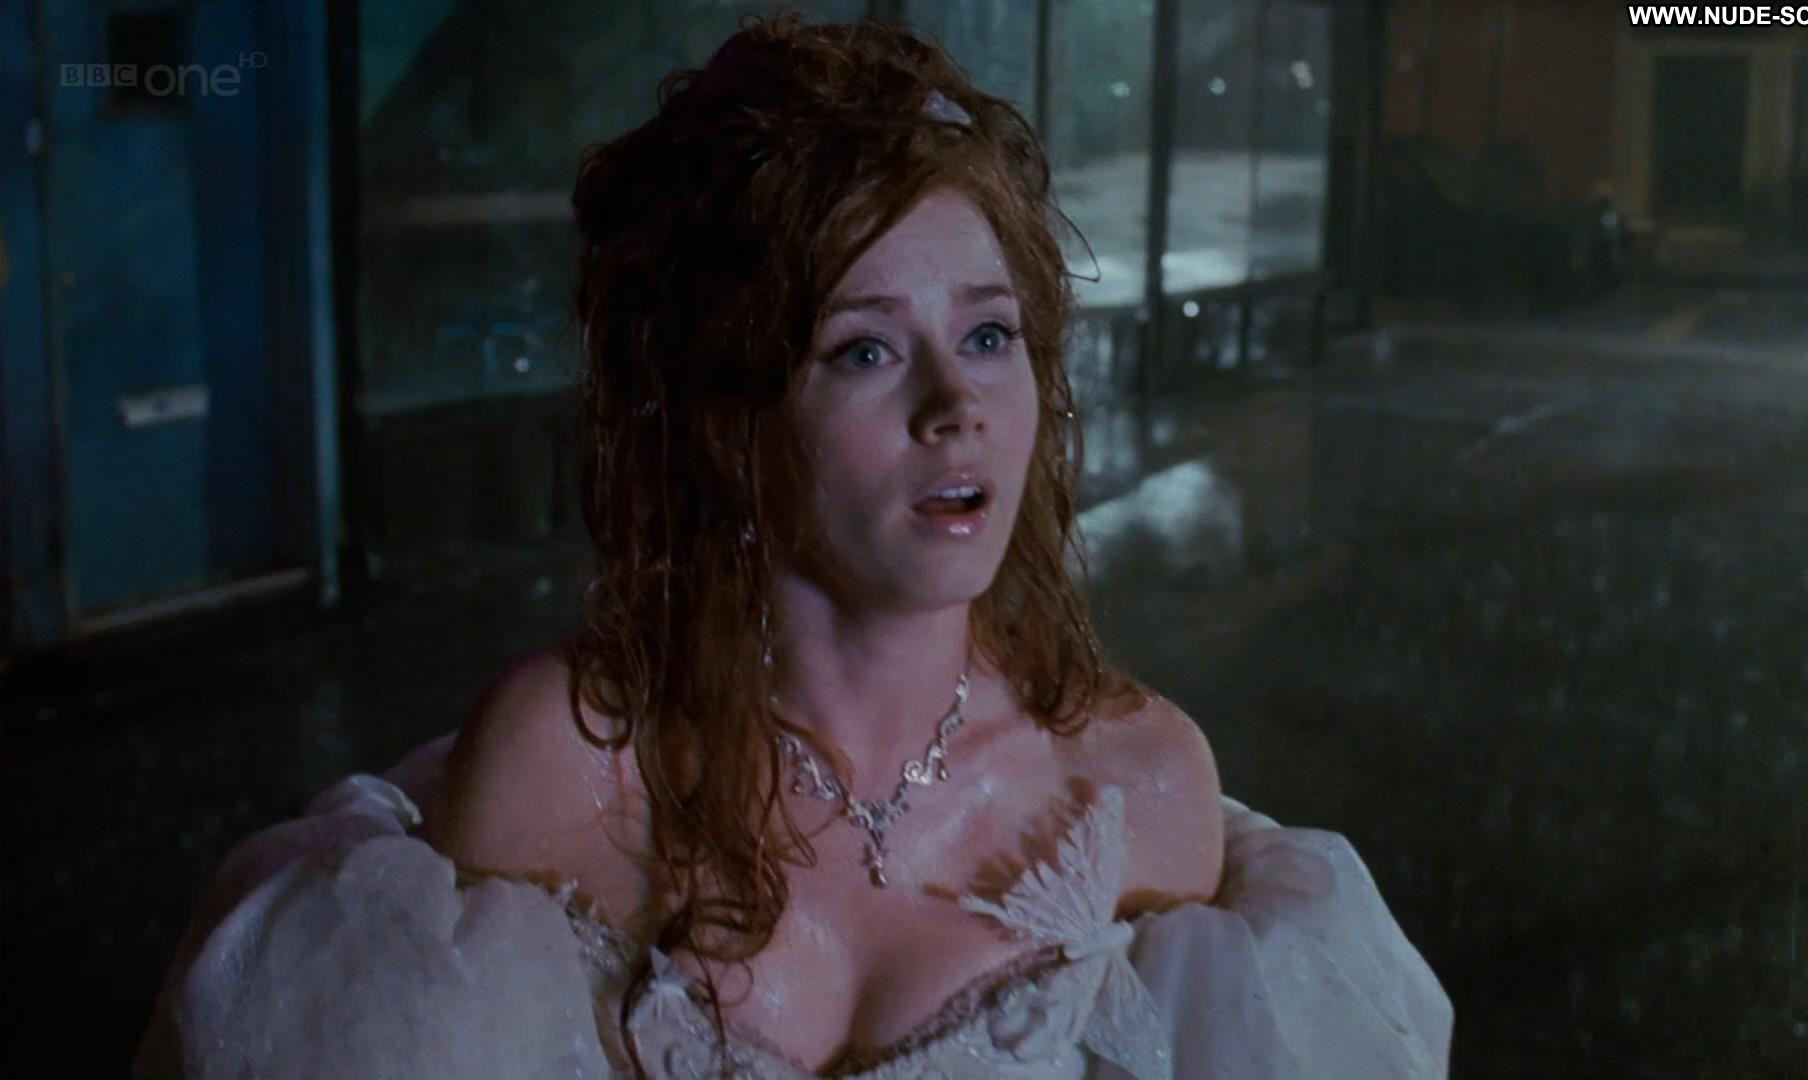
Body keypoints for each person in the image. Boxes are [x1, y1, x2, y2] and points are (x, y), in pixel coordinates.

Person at [137, 14, 1451, 1079]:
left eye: (989, 335)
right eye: (865, 349)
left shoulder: (1138, 788)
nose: (957, 406)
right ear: (727, 415)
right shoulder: (566, 772)